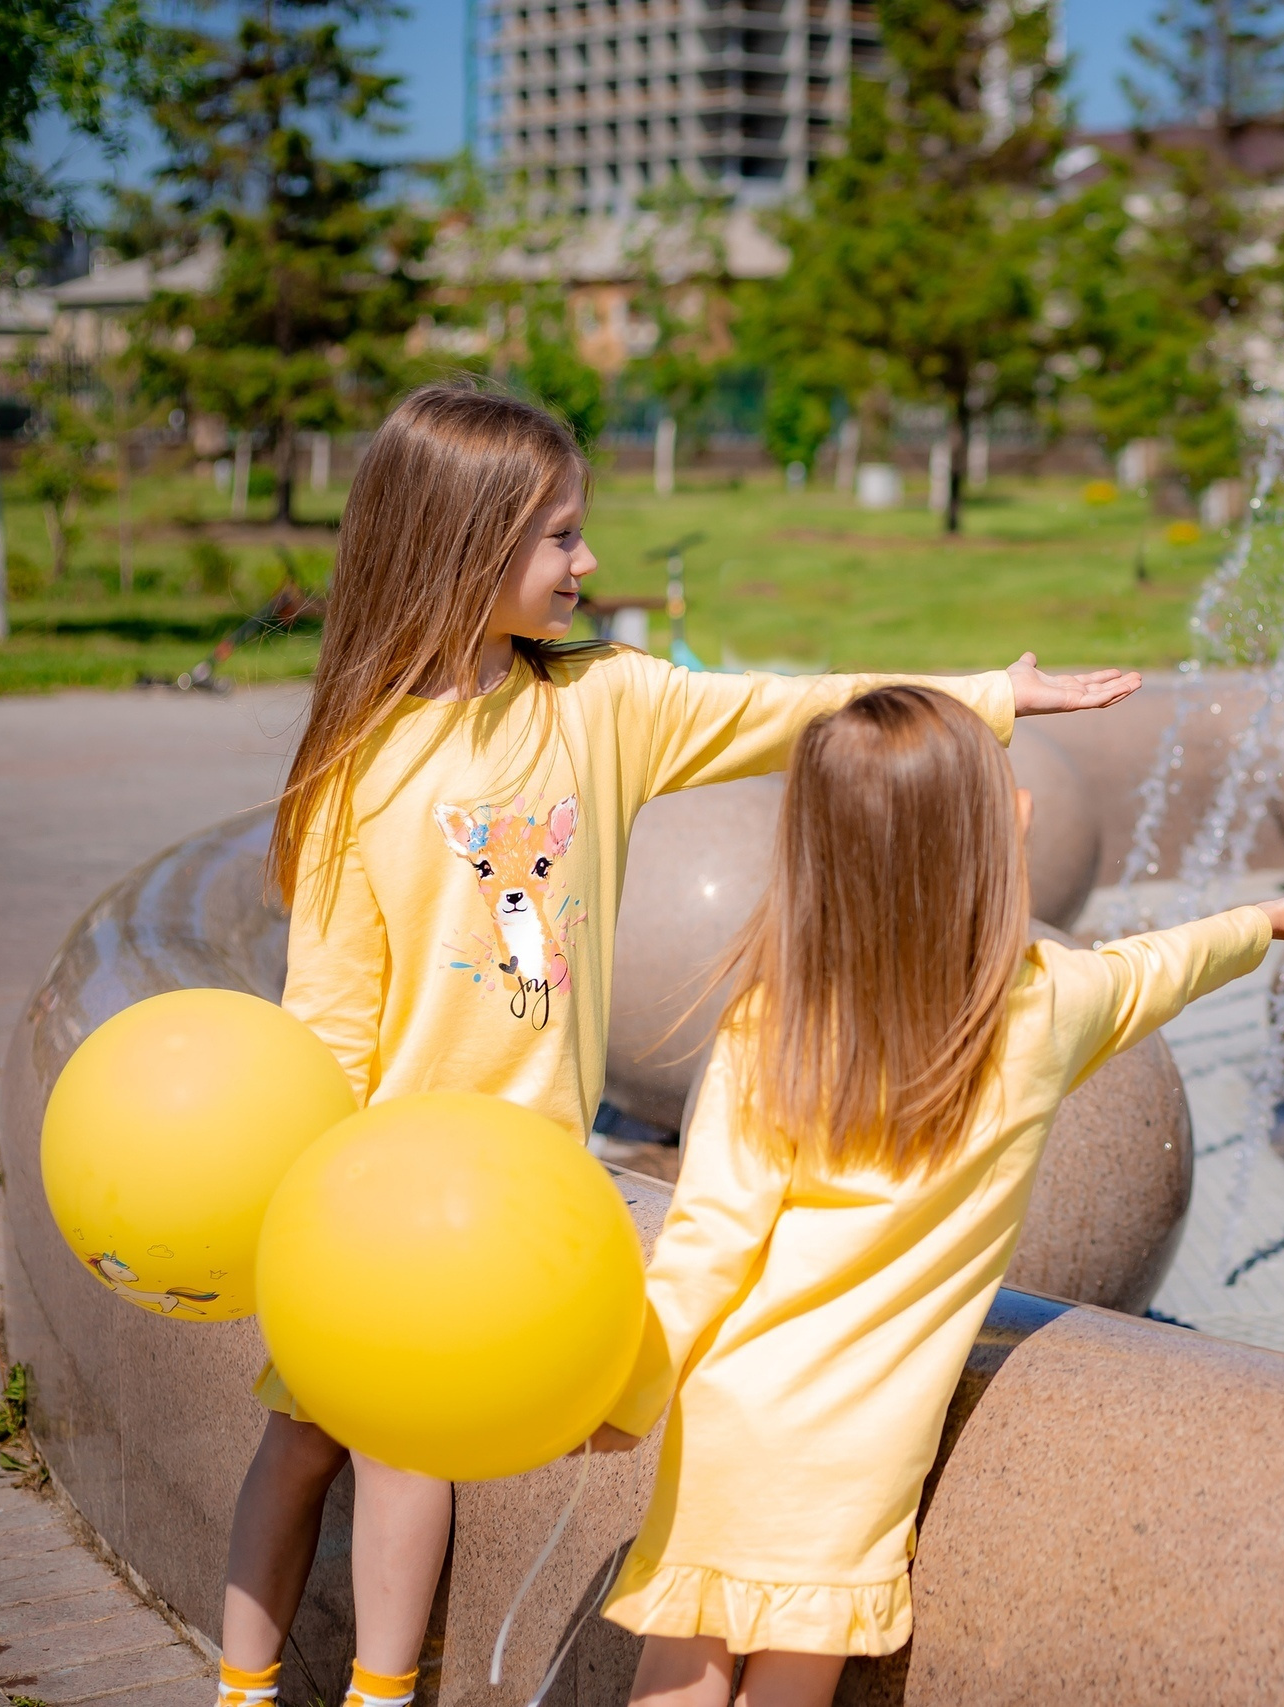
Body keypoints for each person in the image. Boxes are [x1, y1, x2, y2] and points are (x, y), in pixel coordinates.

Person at [213, 384, 1139, 1707]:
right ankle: (251, 1686)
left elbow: (788, 706)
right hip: (375, 1195)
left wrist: (997, 692)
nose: (590, 564)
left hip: (516, 1198)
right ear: (468, 547)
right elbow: (331, 1016)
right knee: (310, 1437)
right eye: (562, 538)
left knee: (377, 1438)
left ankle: (370, 1691)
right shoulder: (360, 765)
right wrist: (304, 1205)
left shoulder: (606, 708)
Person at [582, 685, 1284, 1705]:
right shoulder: (1037, 1015)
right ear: (983, 848)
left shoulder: (774, 1030)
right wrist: (1256, 924)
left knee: (682, 1666)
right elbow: (1149, 971)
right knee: (792, 1674)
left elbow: (707, 1242)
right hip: (855, 1455)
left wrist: (626, 1392)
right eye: (1004, 800)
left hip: (736, 1419)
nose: (1025, 808)